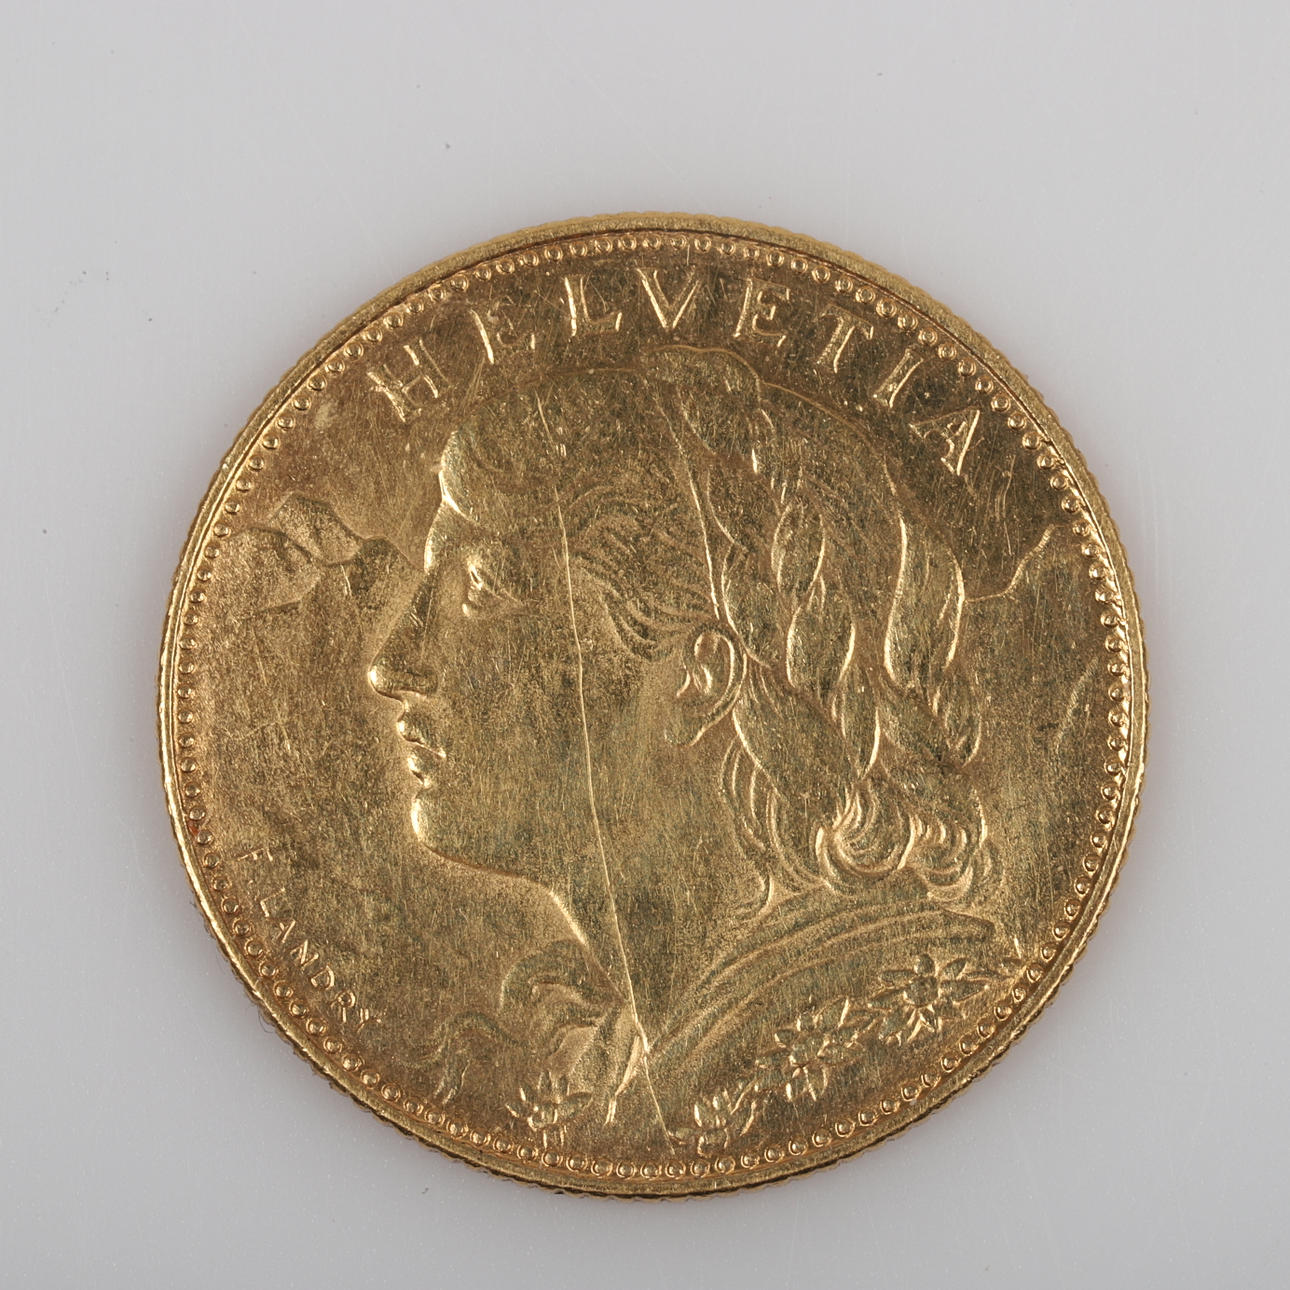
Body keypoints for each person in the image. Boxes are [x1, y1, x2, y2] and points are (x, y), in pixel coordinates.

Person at [367, 346, 1007, 1153]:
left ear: (698, 680)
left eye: (484, 590)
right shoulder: (650, 1064)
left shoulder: (858, 1036)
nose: (392, 664)